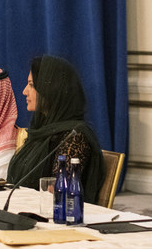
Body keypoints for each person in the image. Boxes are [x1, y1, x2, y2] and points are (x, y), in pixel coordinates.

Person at [6, 55, 105, 204]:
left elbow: (59, 193)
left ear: (51, 89)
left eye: (31, 85)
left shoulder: (74, 136)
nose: (25, 91)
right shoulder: (41, 130)